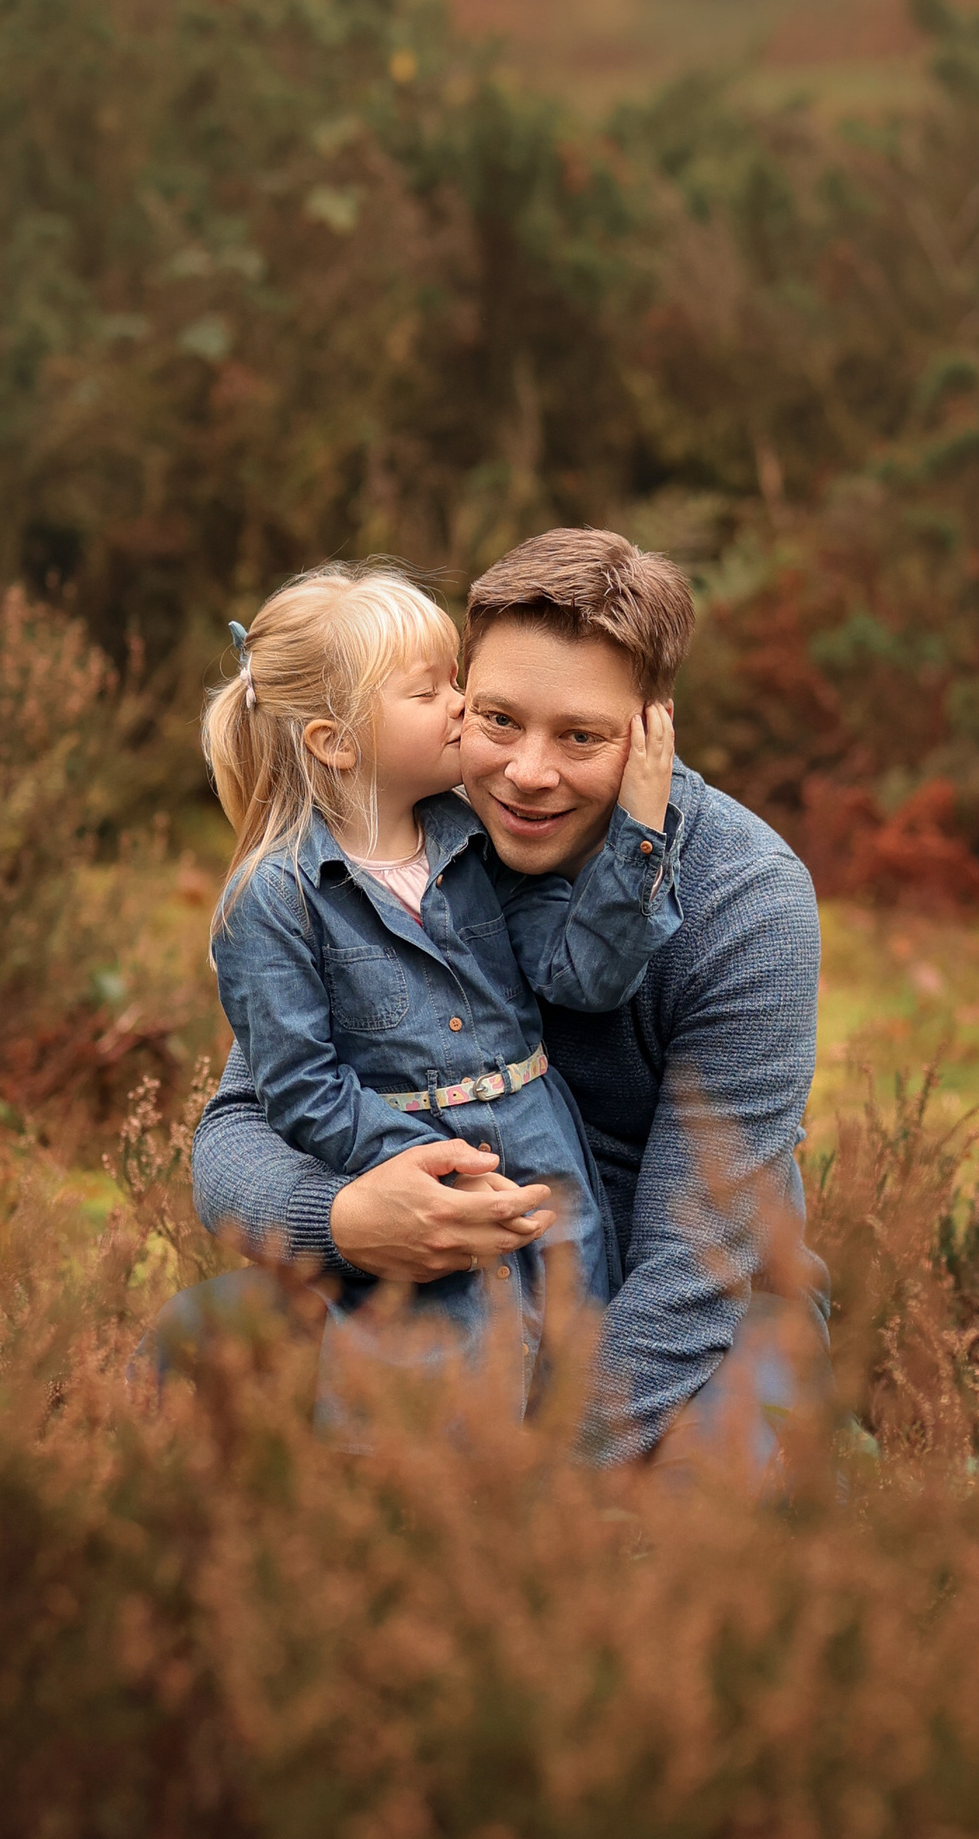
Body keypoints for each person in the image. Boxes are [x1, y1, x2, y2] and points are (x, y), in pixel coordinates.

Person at [190, 529, 824, 1462]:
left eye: (581, 736)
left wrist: (546, 1480)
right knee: (200, 1345)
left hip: (695, 1310)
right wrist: (345, 1221)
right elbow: (238, 1128)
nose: (528, 773)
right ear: (458, 701)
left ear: (653, 729)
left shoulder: (746, 900)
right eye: (497, 721)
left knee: (722, 1470)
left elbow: (698, 1259)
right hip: (440, 1270)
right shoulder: (397, 854)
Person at [201, 558, 682, 1395]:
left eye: (455, 683)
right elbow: (297, 1090)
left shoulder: (472, 843)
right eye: (432, 693)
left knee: (573, 1364)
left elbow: (583, 976)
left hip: (545, 1152)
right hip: (419, 1175)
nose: (462, 708)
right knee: (436, 1385)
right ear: (336, 740)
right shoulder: (278, 899)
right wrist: (427, 1171)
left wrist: (641, 827)